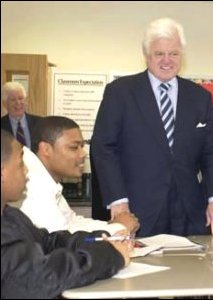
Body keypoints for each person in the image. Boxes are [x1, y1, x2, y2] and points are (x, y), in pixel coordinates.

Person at [91, 18, 213, 237]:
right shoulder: (120, 92)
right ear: (146, 55)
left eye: (173, 53)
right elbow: (103, 147)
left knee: (192, 269)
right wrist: (117, 200)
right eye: (159, 54)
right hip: (137, 210)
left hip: (189, 211)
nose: (167, 60)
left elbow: (211, 152)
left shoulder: (199, 97)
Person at [1, 129, 130, 299]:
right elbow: (38, 278)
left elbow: (49, 242)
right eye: (20, 164)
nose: (26, 171)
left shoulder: (11, 217)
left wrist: (102, 239)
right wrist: (110, 256)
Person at [19, 116, 139, 235]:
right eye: (74, 147)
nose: (83, 154)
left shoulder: (45, 179)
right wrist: (118, 227)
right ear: (46, 149)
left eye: (82, 146)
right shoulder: (31, 182)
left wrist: (113, 225)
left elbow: (72, 222)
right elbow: (59, 239)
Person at [1, 81, 42, 149]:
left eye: (21, 98)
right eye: (13, 100)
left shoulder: (39, 123)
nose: (18, 103)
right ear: (5, 104)